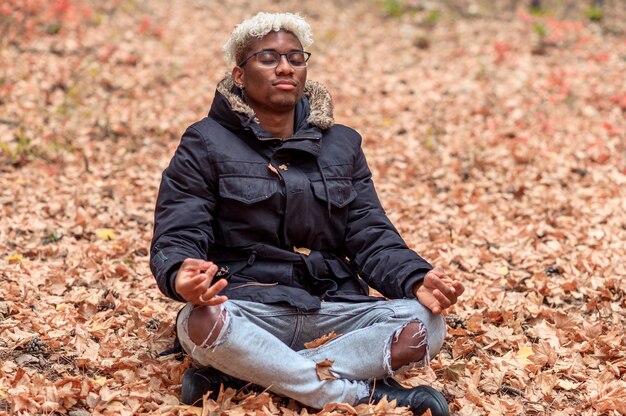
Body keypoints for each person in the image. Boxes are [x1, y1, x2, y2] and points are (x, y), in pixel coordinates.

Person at [150, 12, 464, 416]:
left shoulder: (343, 144)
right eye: (268, 58)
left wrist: (414, 277)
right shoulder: (204, 142)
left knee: (425, 323)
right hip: (248, 303)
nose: (285, 67)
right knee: (200, 321)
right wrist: (180, 275)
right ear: (239, 75)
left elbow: (369, 232)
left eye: (296, 58)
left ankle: (250, 374)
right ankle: (354, 394)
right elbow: (179, 229)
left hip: (331, 306)